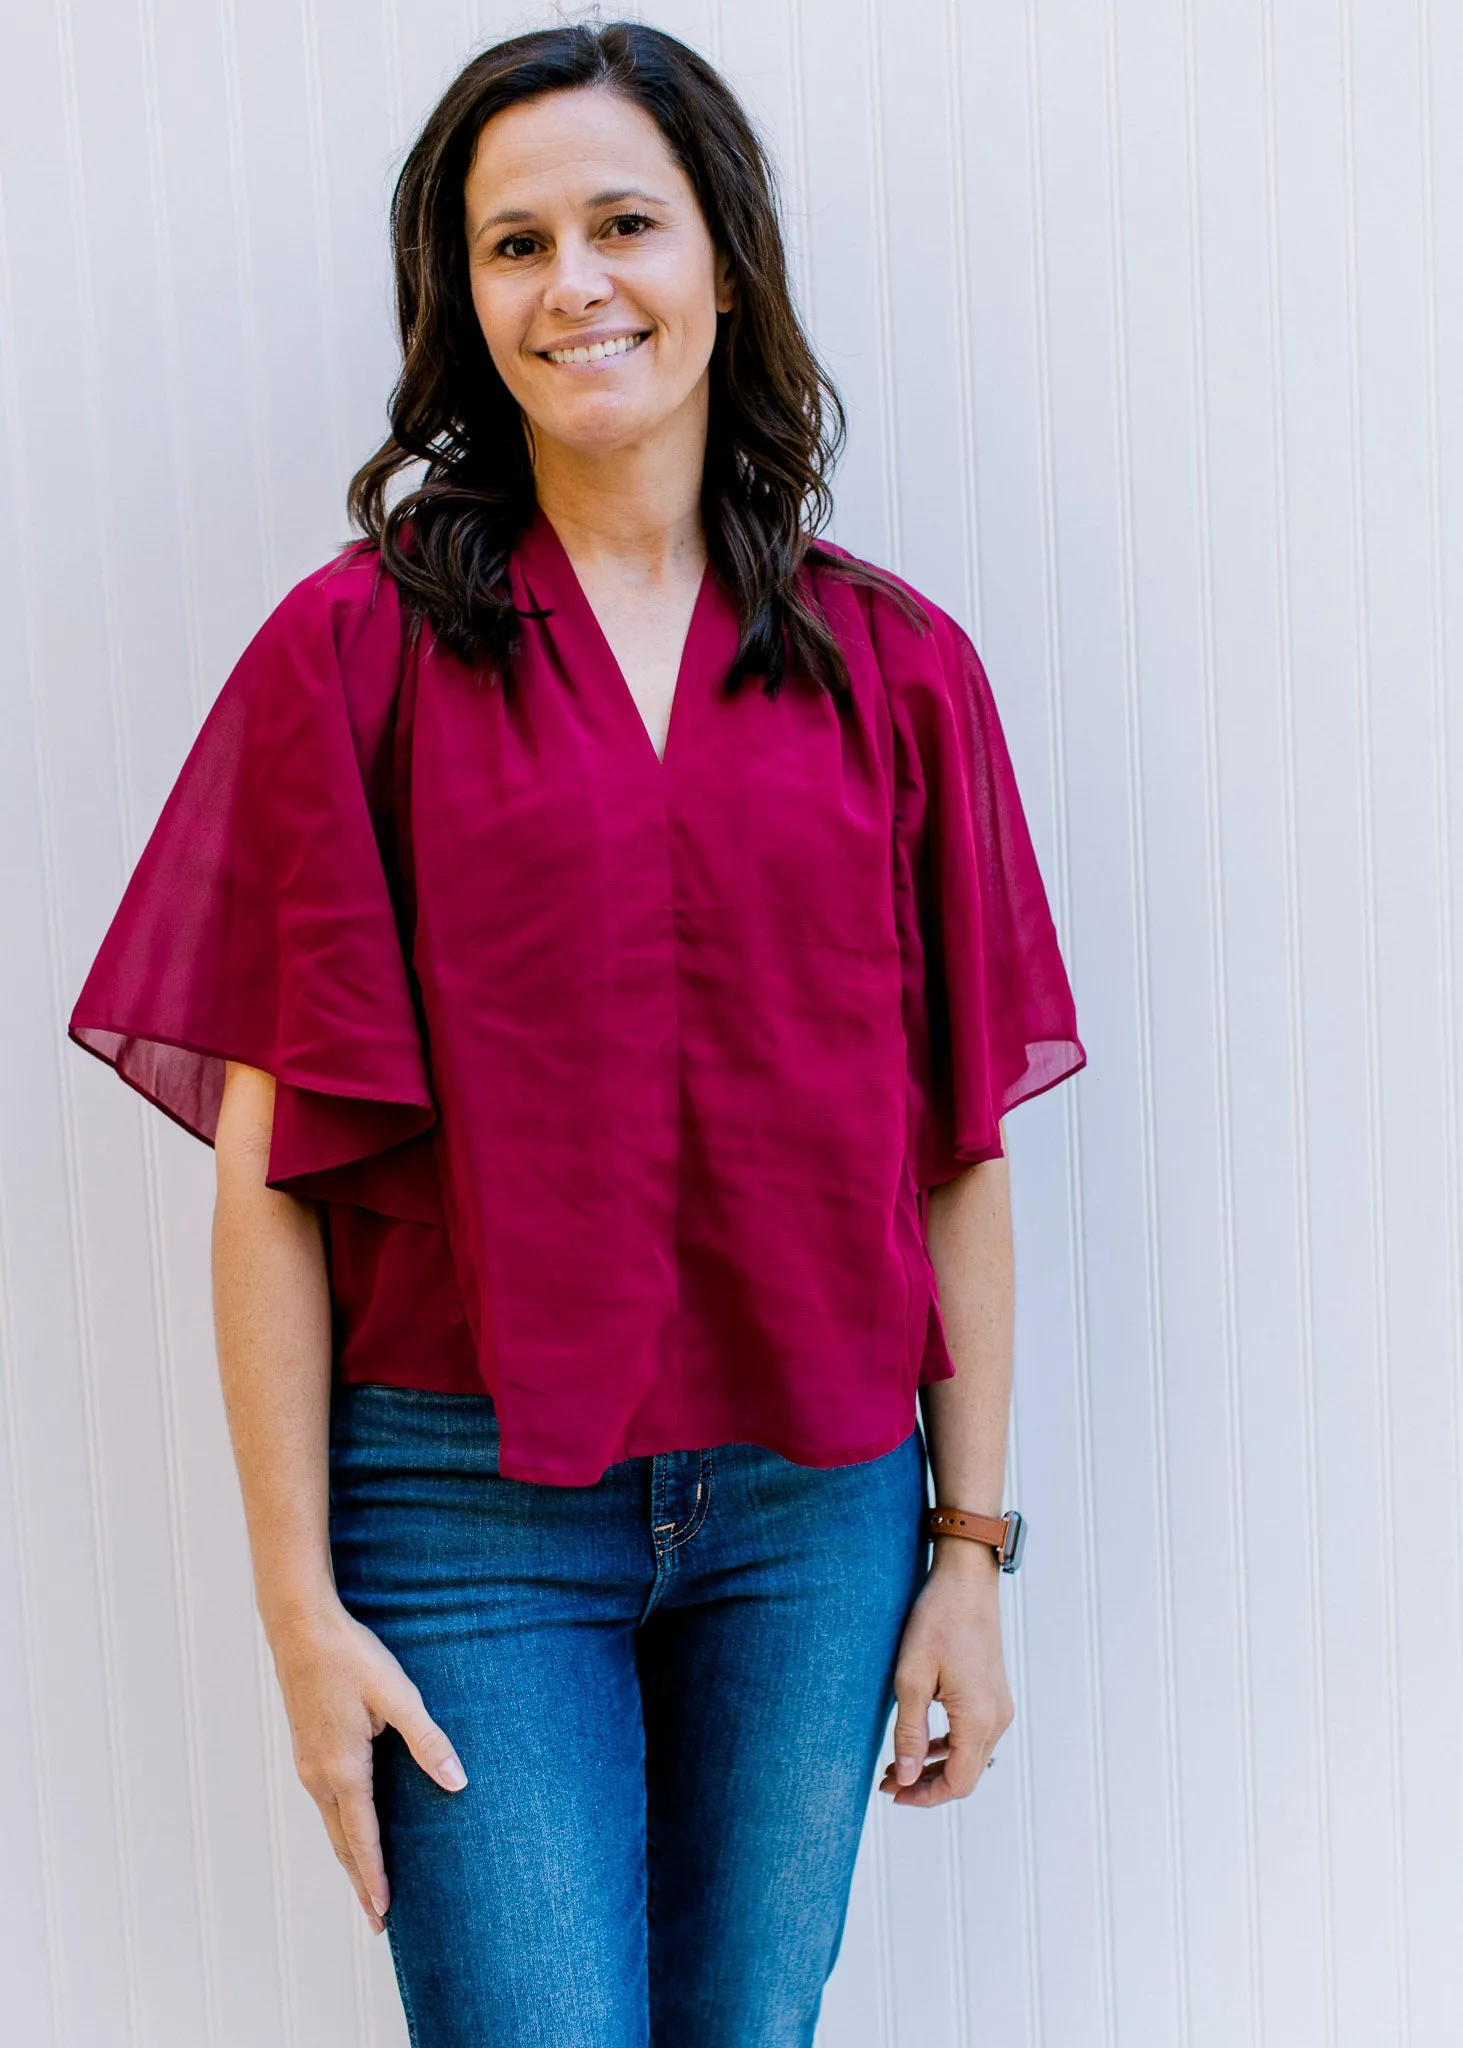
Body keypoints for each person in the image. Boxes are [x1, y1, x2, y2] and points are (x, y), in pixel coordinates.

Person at [69, 20, 1085, 2047]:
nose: (574, 283)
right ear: (463, 298)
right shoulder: (345, 657)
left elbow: (956, 1146)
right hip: (461, 1504)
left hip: (819, 1502)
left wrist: (966, 1549)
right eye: (512, 242)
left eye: (623, 221)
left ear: (724, 259)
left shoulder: (898, 673)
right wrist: (296, 1610)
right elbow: (273, 1183)